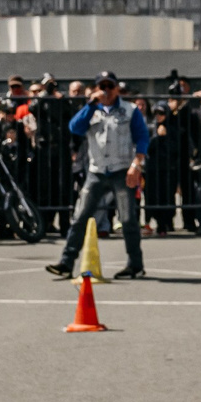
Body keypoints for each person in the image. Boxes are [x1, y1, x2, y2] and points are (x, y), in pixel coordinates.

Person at [46, 72, 147, 278]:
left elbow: (142, 138)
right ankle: (66, 262)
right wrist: (91, 104)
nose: (107, 91)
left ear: (117, 88)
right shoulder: (90, 110)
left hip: (121, 170)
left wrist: (137, 164)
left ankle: (135, 264)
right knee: (80, 216)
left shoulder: (130, 110)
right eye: (103, 86)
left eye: (110, 86)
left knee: (127, 219)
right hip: (97, 171)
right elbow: (74, 127)